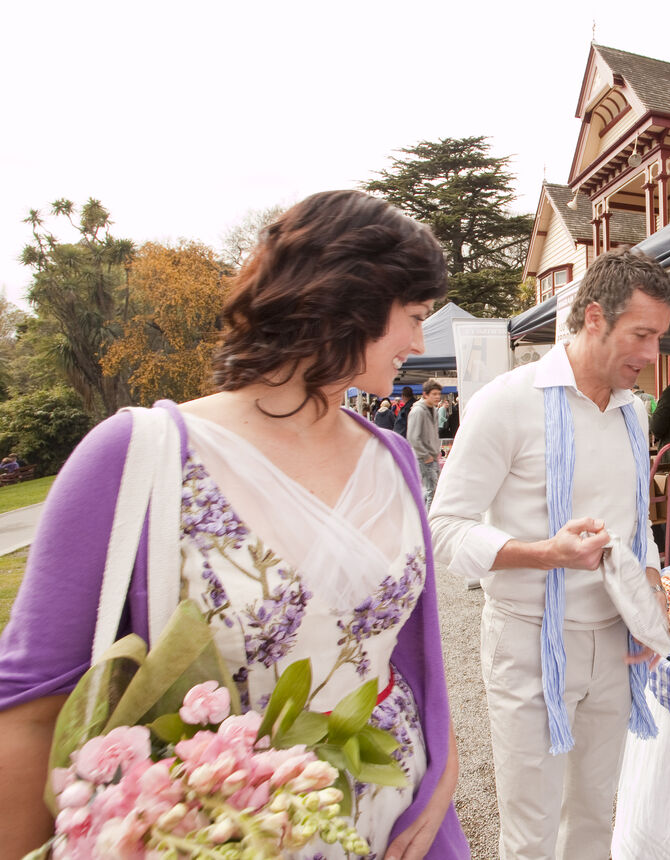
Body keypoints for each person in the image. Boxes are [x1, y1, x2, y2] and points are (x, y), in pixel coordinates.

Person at [0, 190, 469, 860]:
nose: (421, 343)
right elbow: (29, 710)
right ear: (352, 298)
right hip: (225, 829)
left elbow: (412, 651)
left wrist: (445, 766)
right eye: (414, 317)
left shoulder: (391, 457)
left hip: (395, 815)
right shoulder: (135, 455)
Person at [428, 247, 670, 860]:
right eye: (641, 335)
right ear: (594, 318)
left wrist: (649, 588)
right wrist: (546, 553)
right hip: (527, 641)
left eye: (659, 337)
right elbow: (443, 530)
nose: (652, 355)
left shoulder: (633, 414)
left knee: (595, 819)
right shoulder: (506, 402)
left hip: (613, 646)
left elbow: (635, 522)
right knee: (532, 832)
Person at [408, 378, 444, 506]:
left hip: (432, 456)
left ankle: (424, 516)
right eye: (434, 394)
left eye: (438, 394)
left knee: (433, 490)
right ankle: (428, 522)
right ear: (425, 394)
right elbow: (413, 437)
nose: (437, 397)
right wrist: (425, 455)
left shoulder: (433, 410)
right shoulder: (418, 411)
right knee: (432, 491)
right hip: (424, 458)